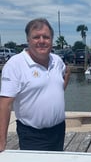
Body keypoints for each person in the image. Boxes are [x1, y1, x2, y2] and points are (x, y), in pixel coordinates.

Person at [0, 18, 70, 152]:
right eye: (36, 37)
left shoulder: (57, 60)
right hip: (32, 134)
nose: (42, 41)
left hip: (59, 130)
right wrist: (1, 141)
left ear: (52, 40)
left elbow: (64, 77)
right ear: (28, 40)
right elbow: (4, 105)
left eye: (46, 37)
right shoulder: (15, 65)